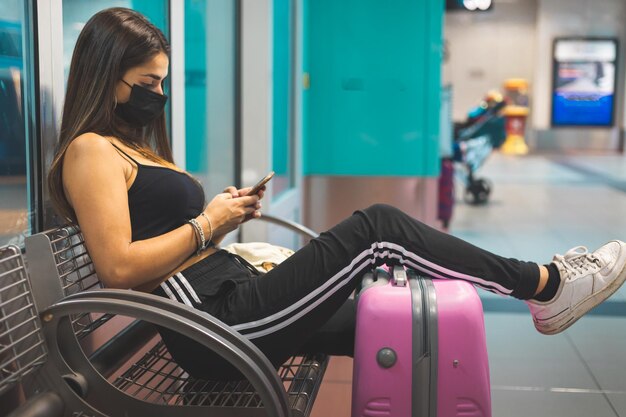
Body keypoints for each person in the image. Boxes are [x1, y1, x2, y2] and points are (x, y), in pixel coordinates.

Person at [48, 8, 626, 379]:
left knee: (407, 325)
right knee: (375, 228)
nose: (158, 95)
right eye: (147, 83)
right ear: (106, 77)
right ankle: (544, 286)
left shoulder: (131, 149)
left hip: (231, 295)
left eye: (163, 83)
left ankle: (540, 293)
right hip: (212, 326)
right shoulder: (90, 151)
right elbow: (118, 268)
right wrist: (209, 223)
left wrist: (220, 222)